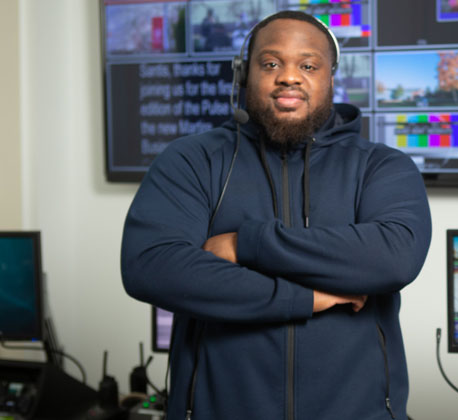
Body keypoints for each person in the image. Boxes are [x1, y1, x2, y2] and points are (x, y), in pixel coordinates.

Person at [121, 10, 431, 420]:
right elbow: (152, 265)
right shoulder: (193, 161)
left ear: (330, 79)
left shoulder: (382, 166)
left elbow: (393, 257)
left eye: (307, 65)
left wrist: (242, 243)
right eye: (271, 64)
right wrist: (305, 298)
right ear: (244, 76)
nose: (289, 76)